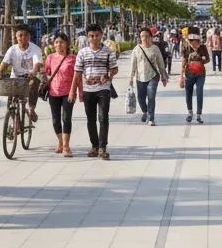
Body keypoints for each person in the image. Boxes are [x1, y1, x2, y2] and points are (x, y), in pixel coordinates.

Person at [68, 23, 118, 160]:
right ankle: (94, 146)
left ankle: (103, 147)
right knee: (90, 119)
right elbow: (77, 73)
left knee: (103, 117)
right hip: (88, 89)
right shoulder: (82, 53)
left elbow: (115, 69)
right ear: (87, 37)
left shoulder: (108, 51)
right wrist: (72, 92)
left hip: (103, 89)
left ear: (101, 35)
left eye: (96, 36)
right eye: (91, 36)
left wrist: (107, 76)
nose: (94, 38)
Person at [0, 23, 43, 122]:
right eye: (20, 35)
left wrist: (33, 73)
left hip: (30, 77)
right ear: (16, 37)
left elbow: (37, 64)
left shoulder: (35, 49)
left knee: (34, 83)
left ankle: (31, 109)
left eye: (25, 35)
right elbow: (4, 63)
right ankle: (16, 122)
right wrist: (0, 73)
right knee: (10, 102)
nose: (22, 38)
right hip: (15, 78)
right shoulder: (12, 49)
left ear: (29, 37)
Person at [42, 31, 77, 156]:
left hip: (68, 92)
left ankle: (66, 146)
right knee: (55, 120)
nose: (59, 44)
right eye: (56, 42)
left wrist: (77, 92)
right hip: (53, 92)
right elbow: (46, 72)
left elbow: (77, 77)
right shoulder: (50, 57)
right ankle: (60, 142)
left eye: (61, 42)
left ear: (67, 44)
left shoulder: (72, 58)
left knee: (66, 118)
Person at [128, 28, 169, 126]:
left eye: (147, 36)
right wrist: (131, 78)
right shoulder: (136, 49)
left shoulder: (155, 48)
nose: (144, 38)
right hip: (140, 77)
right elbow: (133, 64)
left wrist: (163, 76)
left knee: (151, 96)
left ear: (151, 37)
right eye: (142, 36)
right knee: (141, 98)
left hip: (153, 76)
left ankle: (151, 118)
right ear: (140, 38)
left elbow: (160, 63)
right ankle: (145, 112)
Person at [180, 27, 210, 124]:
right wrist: (181, 76)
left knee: (199, 91)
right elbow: (184, 61)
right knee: (188, 93)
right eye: (190, 41)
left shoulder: (203, 47)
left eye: (194, 41)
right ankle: (190, 112)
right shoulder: (185, 47)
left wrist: (201, 59)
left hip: (200, 74)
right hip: (189, 74)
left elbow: (208, 59)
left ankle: (199, 114)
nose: (192, 43)